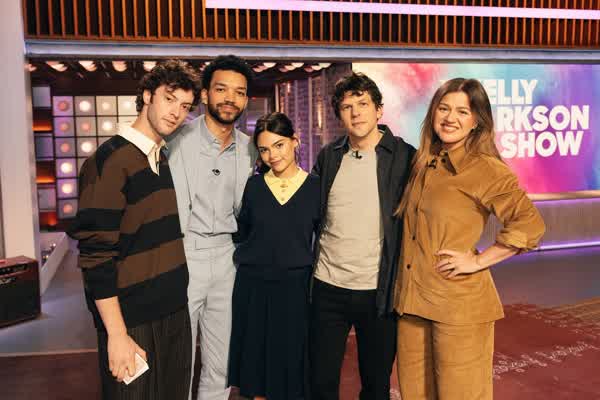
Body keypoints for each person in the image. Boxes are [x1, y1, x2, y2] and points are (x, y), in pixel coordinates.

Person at [393, 78, 546, 400]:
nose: (450, 118)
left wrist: (477, 261)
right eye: (444, 108)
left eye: (462, 111)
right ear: (433, 113)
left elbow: (530, 225)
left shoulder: (485, 169)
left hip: (458, 305)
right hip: (412, 302)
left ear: (476, 121)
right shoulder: (424, 163)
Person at [68, 60, 201, 399]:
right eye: (169, 98)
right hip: (133, 322)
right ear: (147, 95)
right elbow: (96, 256)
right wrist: (116, 334)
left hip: (174, 311)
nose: (176, 112)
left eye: (185, 106)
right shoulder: (108, 161)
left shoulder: (160, 157)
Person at [310, 72, 416, 400]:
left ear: (378, 110)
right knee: (320, 382)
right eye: (347, 107)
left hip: (378, 292)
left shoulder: (404, 157)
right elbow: (311, 212)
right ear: (339, 115)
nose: (355, 113)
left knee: (375, 384)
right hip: (327, 287)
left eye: (363, 104)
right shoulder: (329, 156)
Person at [166, 55, 257, 400]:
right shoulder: (175, 139)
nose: (230, 99)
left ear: (246, 100)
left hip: (228, 258)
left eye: (239, 92)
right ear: (205, 94)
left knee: (221, 364)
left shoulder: (250, 150)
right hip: (183, 253)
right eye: (221, 89)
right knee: (179, 360)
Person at [228, 112, 320, 400]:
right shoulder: (253, 186)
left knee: (291, 365)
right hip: (253, 286)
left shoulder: (315, 187)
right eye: (264, 149)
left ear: (295, 141)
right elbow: (241, 232)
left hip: (296, 288)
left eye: (279, 145)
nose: (272, 155)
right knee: (256, 368)